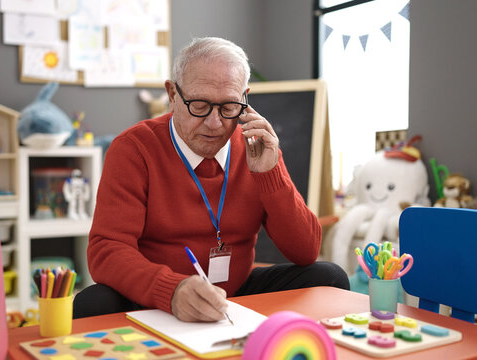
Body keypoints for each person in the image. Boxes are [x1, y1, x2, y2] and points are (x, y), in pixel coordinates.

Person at [74, 37, 349, 321]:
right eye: (200, 105)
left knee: (328, 277)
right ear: (172, 94)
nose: (215, 123)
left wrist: (270, 174)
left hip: (235, 294)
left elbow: (306, 251)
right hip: (155, 300)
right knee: (92, 304)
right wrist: (171, 290)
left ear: (245, 98)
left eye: (229, 106)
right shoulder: (134, 148)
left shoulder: (257, 148)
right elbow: (107, 251)